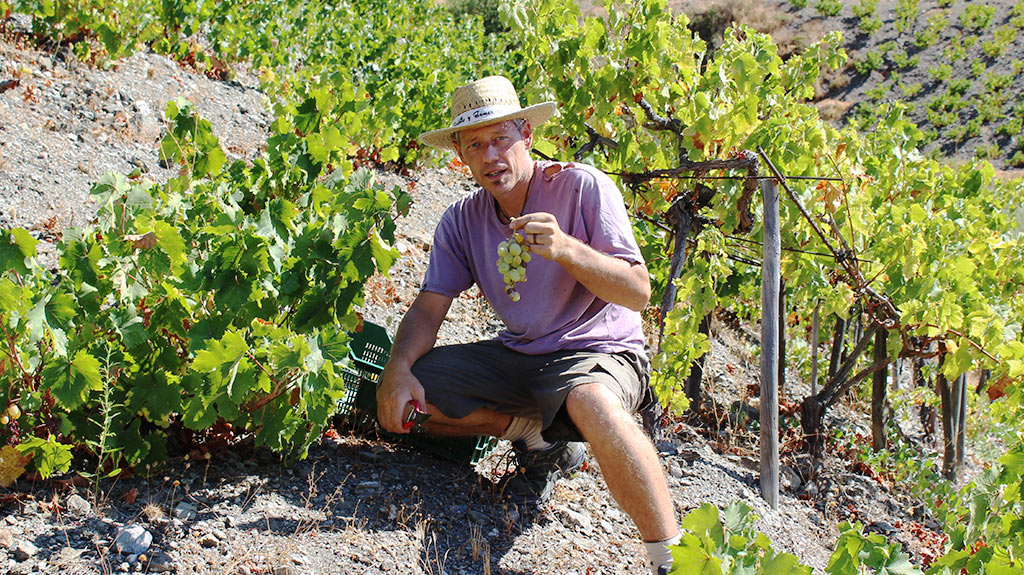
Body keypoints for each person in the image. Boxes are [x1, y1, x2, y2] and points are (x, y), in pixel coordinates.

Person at [375, 75, 681, 575]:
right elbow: (430, 307)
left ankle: (672, 558)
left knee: (588, 399)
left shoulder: (583, 186)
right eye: (475, 144)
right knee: (412, 398)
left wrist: (565, 249)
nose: (491, 155)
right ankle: (536, 434)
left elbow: (638, 291)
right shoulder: (462, 219)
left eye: (501, 138)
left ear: (527, 135)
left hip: (599, 350)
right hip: (523, 355)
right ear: (460, 154)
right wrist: (399, 368)